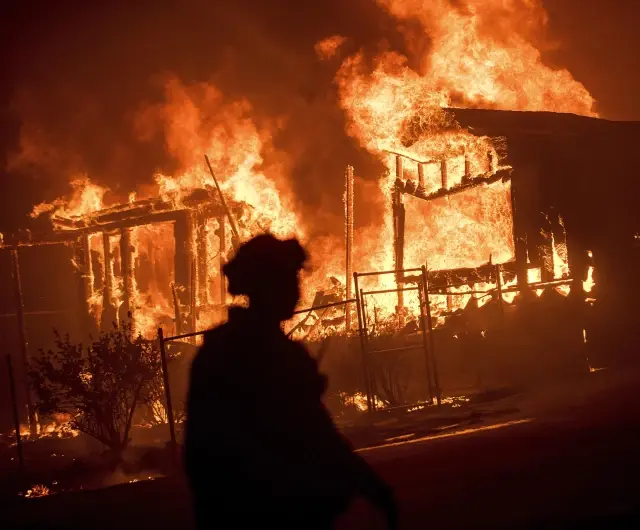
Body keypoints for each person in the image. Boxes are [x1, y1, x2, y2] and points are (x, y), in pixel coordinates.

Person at [184, 234, 397, 529]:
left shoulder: (219, 349)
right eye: (288, 278)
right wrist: (374, 488)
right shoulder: (269, 355)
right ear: (269, 286)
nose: (297, 288)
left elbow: (198, 456)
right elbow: (318, 436)